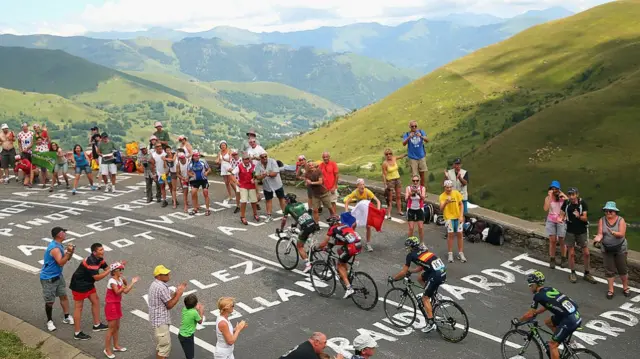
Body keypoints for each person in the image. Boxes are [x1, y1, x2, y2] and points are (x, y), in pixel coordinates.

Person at [512, 271, 582, 359]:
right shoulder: (550, 289)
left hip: (569, 319)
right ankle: (564, 342)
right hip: (575, 315)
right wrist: (537, 312)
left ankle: (557, 342)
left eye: (530, 285)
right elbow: (547, 306)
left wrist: (518, 321)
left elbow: (529, 314)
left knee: (552, 345)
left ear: (535, 285)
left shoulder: (538, 296)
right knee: (548, 322)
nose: (530, 288)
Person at [388, 237, 445, 333]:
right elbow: (422, 267)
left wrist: (394, 278)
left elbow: (403, 272)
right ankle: (433, 293)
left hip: (435, 275)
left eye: (408, 247)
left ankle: (431, 323)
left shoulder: (410, 255)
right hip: (441, 271)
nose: (408, 249)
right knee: (420, 278)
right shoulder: (423, 249)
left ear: (411, 247)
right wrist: (412, 271)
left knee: (425, 298)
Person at [69, 243, 110, 340]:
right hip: (79, 284)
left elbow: (107, 268)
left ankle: (97, 325)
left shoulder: (99, 259)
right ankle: (77, 333)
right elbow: (97, 278)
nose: (103, 251)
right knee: (78, 307)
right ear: (94, 252)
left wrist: (117, 267)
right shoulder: (91, 261)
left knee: (95, 301)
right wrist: (108, 271)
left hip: (88, 283)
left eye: (103, 249)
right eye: (100, 250)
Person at [316, 216, 363, 298]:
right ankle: (347, 274)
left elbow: (324, 243)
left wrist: (316, 248)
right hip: (358, 245)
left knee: (339, 266)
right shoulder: (344, 226)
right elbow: (342, 240)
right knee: (340, 251)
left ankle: (349, 288)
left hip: (351, 247)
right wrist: (331, 245)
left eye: (329, 223)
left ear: (332, 223)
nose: (329, 225)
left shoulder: (332, 228)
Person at [148, 265, 188, 359]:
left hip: (158, 320)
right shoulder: (161, 287)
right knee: (164, 348)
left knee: (161, 346)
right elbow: (169, 304)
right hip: (161, 321)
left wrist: (176, 293)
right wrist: (179, 294)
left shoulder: (156, 284)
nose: (168, 275)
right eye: (165, 274)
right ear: (158, 276)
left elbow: (167, 299)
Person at [40, 227, 75, 332]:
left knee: (63, 296)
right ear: (59, 235)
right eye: (63, 232)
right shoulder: (54, 248)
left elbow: (67, 258)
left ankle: (66, 316)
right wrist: (68, 252)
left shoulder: (59, 245)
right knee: (50, 301)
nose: (65, 234)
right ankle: (49, 321)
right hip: (48, 279)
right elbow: (61, 262)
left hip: (58, 276)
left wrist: (70, 251)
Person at [593, 201, 630, 299]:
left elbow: (622, 234)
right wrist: (598, 238)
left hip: (620, 248)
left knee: (622, 268)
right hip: (607, 248)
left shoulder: (621, 220)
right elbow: (600, 233)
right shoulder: (602, 220)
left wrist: (614, 233)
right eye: (606, 211)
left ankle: (625, 287)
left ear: (615, 212)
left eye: (610, 211)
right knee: (609, 269)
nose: (608, 213)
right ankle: (610, 290)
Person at [103, 262, 139, 359]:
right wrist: (123, 285)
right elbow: (117, 292)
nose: (122, 271)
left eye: (122, 269)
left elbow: (126, 291)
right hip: (111, 306)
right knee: (111, 329)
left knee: (117, 327)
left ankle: (116, 346)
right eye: (120, 270)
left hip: (117, 305)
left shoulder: (119, 280)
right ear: (115, 271)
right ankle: (107, 349)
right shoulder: (112, 281)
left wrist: (132, 283)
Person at [560, 187, 596, 284]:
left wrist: (578, 216)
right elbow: (562, 214)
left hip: (582, 231)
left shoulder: (582, 203)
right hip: (570, 231)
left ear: (577, 194)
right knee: (571, 254)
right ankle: (572, 272)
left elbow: (585, 218)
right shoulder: (566, 203)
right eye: (570, 195)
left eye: (573, 194)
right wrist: (561, 218)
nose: (571, 197)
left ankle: (587, 273)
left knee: (586, 253)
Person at [278, 193, 319, 273]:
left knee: (299, 246)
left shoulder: (288, 207)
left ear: (289, 200)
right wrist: (295, 224)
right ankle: (311, 252)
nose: (285, 201)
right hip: (313, 223)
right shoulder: (300, 204)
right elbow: (301, 214)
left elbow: (284, 220)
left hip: (306, 227)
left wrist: (281, 229)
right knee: (307, 240)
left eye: (286, 199)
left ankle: (308, 265)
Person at [344, 179, 381, 252]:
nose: (362, 186)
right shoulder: (355, 192)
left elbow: (378, 201)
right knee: (353, 225)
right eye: (361, 185)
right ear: (357, 186)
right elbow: (347, 202)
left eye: (363, 184)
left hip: (367, 211)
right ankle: (351, 240)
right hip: (359, 210)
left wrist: (378, 210)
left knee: (368, 226)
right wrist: (346, 211)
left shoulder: (367, 192)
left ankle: (368, 243)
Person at [439, 180, 466, 263]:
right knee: (450, 235)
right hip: (449, 218)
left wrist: (461, 216)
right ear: (444, 187)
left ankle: (460, 253)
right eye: (447, 187)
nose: (449, 189)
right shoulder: (442, 196)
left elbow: (461, 204)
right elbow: (441, 209)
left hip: (458, 217)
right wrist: (446, 202)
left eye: (450, 187)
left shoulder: (456, 193)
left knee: (459, 234)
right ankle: (450, 253)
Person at [255, 151, 285, 222]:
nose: (265, 158)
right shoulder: (258, 165)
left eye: (266, 156)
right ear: (260, 158)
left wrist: (266, 174)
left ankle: (285, 214)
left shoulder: (272, 161)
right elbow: (256, 176)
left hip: (277, 184)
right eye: (262, 157)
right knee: (268, 200)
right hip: (267, 185)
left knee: (281, 198)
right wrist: (262, 176)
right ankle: (269, 216)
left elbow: (275, 173)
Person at [230, 152, 259, 224]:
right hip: (243, 185)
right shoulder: (239, 166)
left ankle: (255, 214)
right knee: (244, 200)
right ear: (242, 160)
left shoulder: (253, 166)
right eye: (245, 159)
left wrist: (254, 178)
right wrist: (236, 182)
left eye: (248, 159)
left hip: (251, 185)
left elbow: (255, 175)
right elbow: (232, 174)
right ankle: (242, 216)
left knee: (254, 200)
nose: (247, 161)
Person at [544, 180, 567, 269]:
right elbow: (546, 208)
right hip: (551, 220)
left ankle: (563, 258)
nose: (554, 190)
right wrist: (550, 197)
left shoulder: (562, 198)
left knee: (562, 240)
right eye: (552, 188)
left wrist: (563, 195)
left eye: (556, 189)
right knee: (552, 240)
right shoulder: (548, 198)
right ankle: (552, 259)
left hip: (561, 220)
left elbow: (570, 203)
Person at [402, 120, 429, 187]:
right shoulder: (407, 134)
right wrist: (409, 137)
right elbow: (403, 144)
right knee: (414, 176)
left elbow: (427, 140)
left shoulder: (421, 132)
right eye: (412, 126)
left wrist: (421, 136)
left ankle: (423, 190)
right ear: (410, 127)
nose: (414, 127)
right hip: (412, 157)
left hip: (421, 156)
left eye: (415, 126)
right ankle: (415, 191)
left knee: (422, 175)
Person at [178, 294, 205, 359]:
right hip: (187, 337)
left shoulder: (184, 309)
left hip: (182, 334)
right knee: (190, 356)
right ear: (195, 305)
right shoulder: (194, 313)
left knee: (188, 354)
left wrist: (195, 308)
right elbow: (200, 321)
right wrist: (201, 311)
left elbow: (191, 311)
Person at [381, 149, 405, 219]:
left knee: (398, 196)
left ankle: (399, 211)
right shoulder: (385, 163)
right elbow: (384, 174)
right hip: (390, 181)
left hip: (397, 179)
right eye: (387, 154)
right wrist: (385, 184)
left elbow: (401, 156)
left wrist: (407, 153)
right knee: (390, 198)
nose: (389, 155)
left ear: (392, 154)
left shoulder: (394, 158)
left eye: (390, 153)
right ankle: (388, 213)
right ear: (385, 155)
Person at [187, 150, 212, 215]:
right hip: (195, 180)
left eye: (198, 155)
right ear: (193, 157)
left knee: (205, 192)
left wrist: (206, 172)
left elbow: (209, 169)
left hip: (203, 180)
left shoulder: (203, 161)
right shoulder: (190, 163)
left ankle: (207, 209)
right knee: (193, 192)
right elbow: (188, 172)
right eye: (196, 156)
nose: (197, 157)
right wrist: (192, 175)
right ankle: (195, 209)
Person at [405, 175, 426, 244]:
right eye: (414, 181)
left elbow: (423, 199)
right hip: (411, 208)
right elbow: (406, 199)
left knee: (420, 227)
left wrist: (419, 193)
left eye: (417, 180)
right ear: (412, 181)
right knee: (411, 228)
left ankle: (422, 242)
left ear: (419, 181)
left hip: (419, 209)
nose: (415, 182)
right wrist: (411, 194)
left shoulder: (422, 188)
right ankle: (409, 242)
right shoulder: (408, 188)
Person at [150, 143, 169, 207]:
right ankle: (164, 200)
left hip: (168, 172)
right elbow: (152, 165)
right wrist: (154, 174)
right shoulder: (154, 155)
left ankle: (174, 200)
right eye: (158, 146)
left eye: (160, 146)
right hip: (160, 173)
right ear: (155, 148)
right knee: (162, 187)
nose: (160, 147)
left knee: (171, 187)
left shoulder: (165, 153)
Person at [229, 149, 242, 213]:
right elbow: (231, 168)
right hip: (236, 178)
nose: (234, 156)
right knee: (237, 192)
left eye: (235, 154)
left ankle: (255, 204)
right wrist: (230, 169)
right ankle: (238, 206)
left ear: (238, 154)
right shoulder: (231, 160)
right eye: (233, 155)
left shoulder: (242, 160)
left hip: (242, 178)